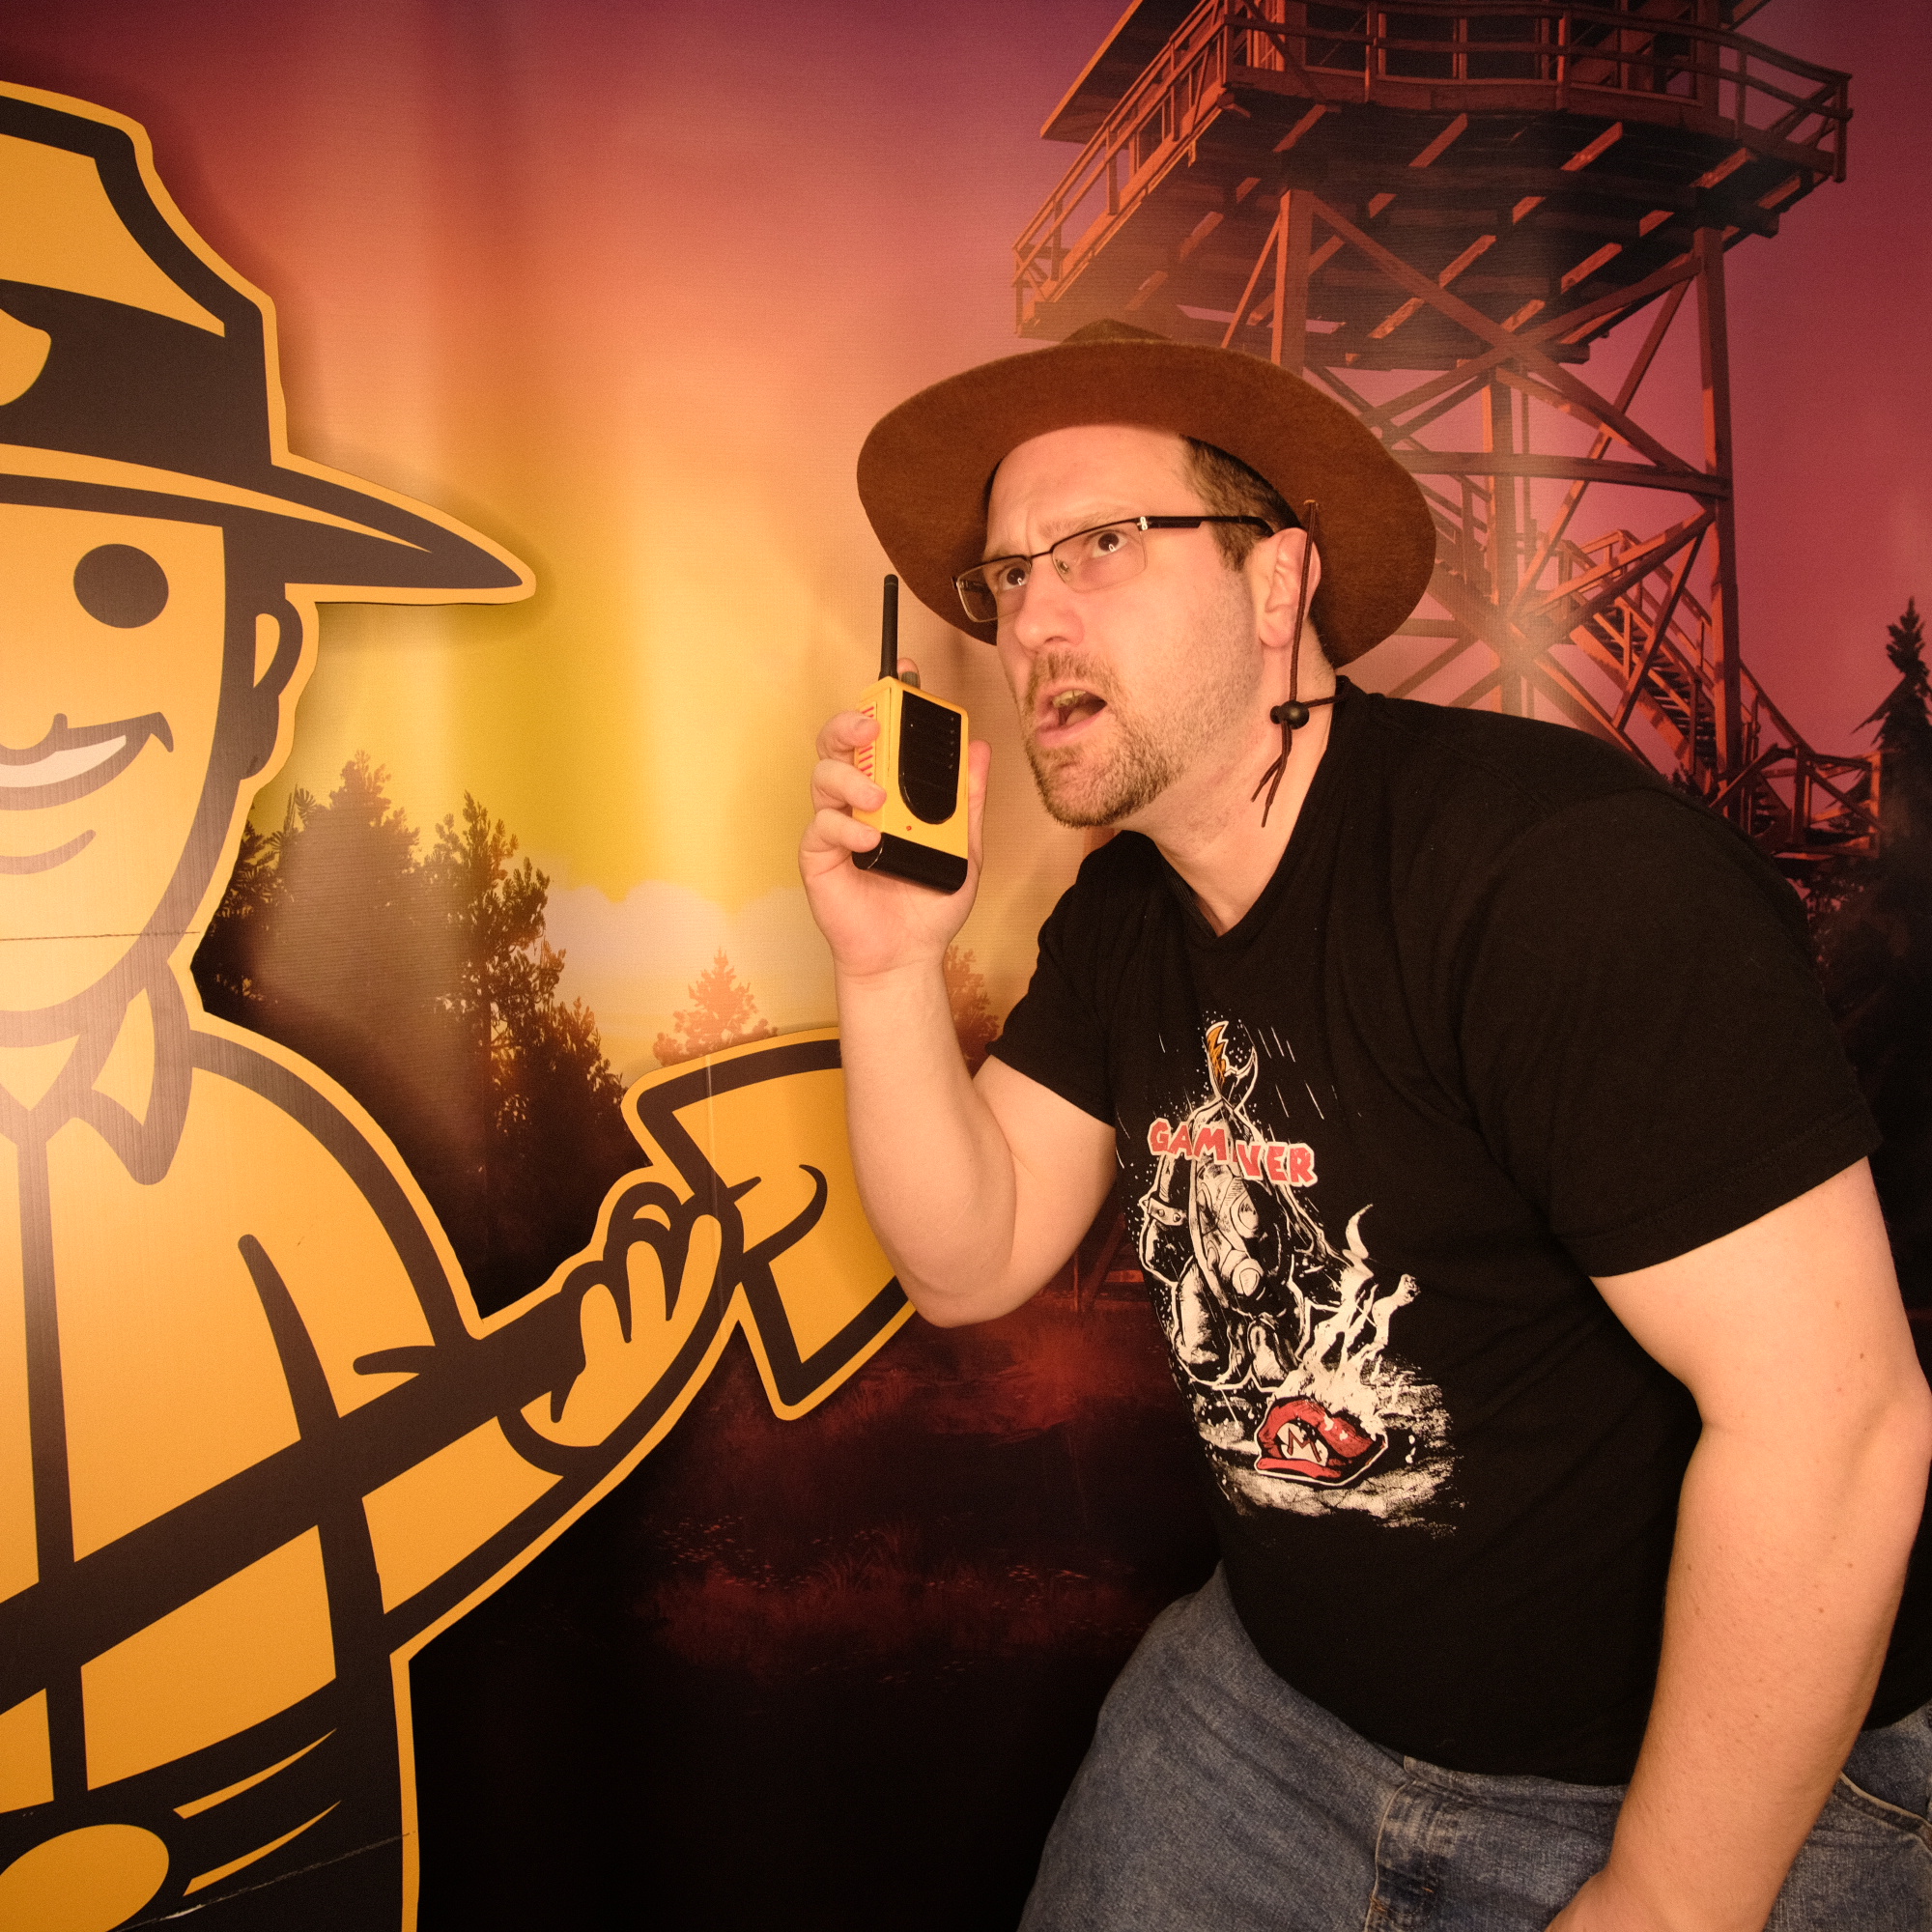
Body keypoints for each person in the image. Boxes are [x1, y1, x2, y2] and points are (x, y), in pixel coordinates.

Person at [800, 318, 1932, 1931]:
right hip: (1274, 1718)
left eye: (1101, 545)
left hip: (1694, 1778)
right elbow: (967, 1258)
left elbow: (1838, 1429)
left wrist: (1673, 1900)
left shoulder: (1564, 883)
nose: (1031, 619)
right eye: (1008, 576)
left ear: (1277, 586)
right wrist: (889, 967)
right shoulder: (1125, 912)